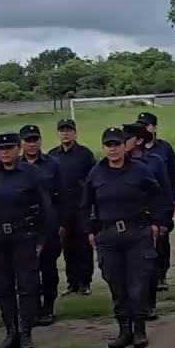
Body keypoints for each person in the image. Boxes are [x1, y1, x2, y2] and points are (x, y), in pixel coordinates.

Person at [83, 126, 169, 348]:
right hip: (109, 236)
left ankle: (140, 330)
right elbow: (85, 204)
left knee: (138, 285)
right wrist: (91, 230)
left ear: (124, 146)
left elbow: (157, 196)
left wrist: (157, 223)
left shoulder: (139, 170)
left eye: (117, 145)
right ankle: (124, 330)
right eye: (108, 145)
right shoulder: (96, 173)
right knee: (116, 285)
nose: (113, 149)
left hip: (137, 233)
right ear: (103, 148)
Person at [0, 131, 55, 348]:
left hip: (24, 237)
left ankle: (26, 331)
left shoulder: (32, 173)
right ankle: (11, 332)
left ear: (18, 149)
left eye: (9, 148)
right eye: (1, 149)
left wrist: (42, 238)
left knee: (27, 286)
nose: (5, 152)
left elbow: (45, 207)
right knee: (2, 287)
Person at [123, 120, 172, 321]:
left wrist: (163, 222)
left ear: (139, 140)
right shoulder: (117, 162)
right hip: (125, 221)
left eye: (128, 138)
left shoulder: (155, 162)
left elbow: (165, 193)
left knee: (148, 265)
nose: (123, 142)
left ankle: (149, 303)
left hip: (149, 221)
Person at [20, 124, 65, 327]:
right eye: (27, 140)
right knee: (27, 271)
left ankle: (48, 307)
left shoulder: (53, 164)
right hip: (23, 226)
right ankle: (33, 308)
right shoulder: (14, 165)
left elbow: (63, 196)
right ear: (21, 143)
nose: (31, 144)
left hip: (48, 225)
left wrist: (62, 223)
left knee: (48, 269)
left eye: (34, 140)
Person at [48, 118, 96, 296]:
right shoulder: (52, 156)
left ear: (75, 133)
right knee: (67, 246)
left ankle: (85, 281)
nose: (65, 133)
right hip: (62, 208)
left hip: (81, 207)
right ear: (58, 134)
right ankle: (72, 282)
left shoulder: (85, 154)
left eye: (68, 130)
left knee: (83, 246)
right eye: (62, 130)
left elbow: (93, 180)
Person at [136, 112, 175, 292]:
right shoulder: (135, 151)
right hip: (142, 207)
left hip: (162, 203)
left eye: (146, 125)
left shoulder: (164, 149)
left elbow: (174, 176)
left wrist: (173, 199)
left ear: (154, 128)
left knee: (162, 241)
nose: (144, 128)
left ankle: (161, 275)